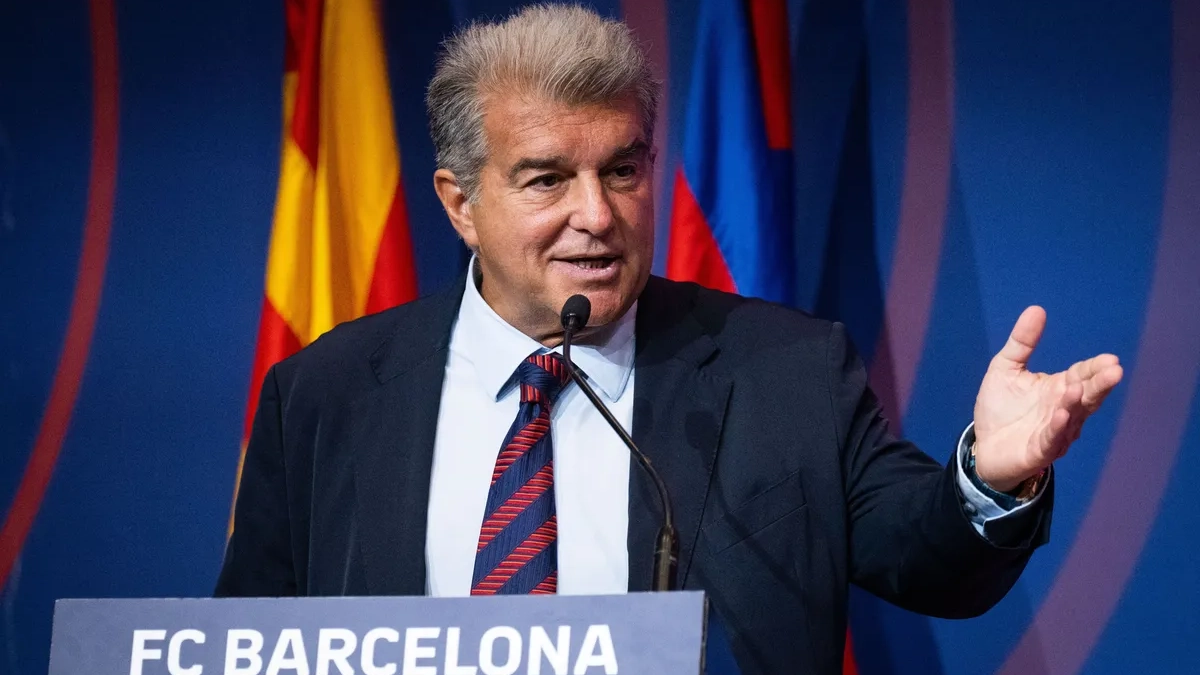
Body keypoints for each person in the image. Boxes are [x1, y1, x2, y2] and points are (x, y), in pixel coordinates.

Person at [216, 6, 1123, 674]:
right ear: (461, 203)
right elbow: (247, 646)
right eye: (546, 180)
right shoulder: (325, 393)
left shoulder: (787, 372)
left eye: (622, 169)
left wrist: (991, 479)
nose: (597, 216)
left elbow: (927, 559)